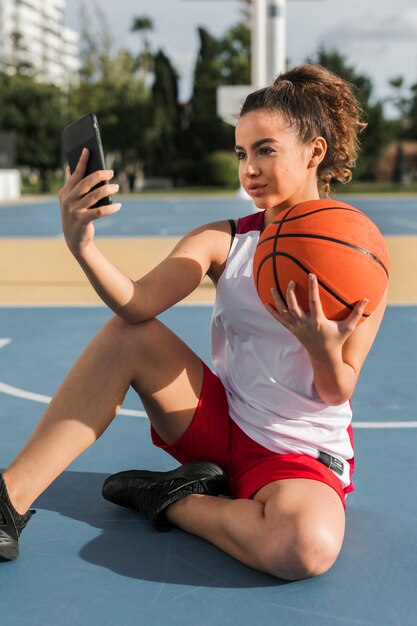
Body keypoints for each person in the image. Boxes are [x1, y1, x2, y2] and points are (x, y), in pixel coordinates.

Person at [0, 64, 387, 580]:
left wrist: (320, 347)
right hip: (219, 422)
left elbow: (339, 389)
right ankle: (8, 499)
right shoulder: (223, 239)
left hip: (297, 453)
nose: (249, 168)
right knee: (127, 336)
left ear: (314, 152)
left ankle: (172, 498)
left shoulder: (359, 256)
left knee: (305, 547)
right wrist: (82, 246)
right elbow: (136, 304)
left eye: (266, 150)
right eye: (242, 154)